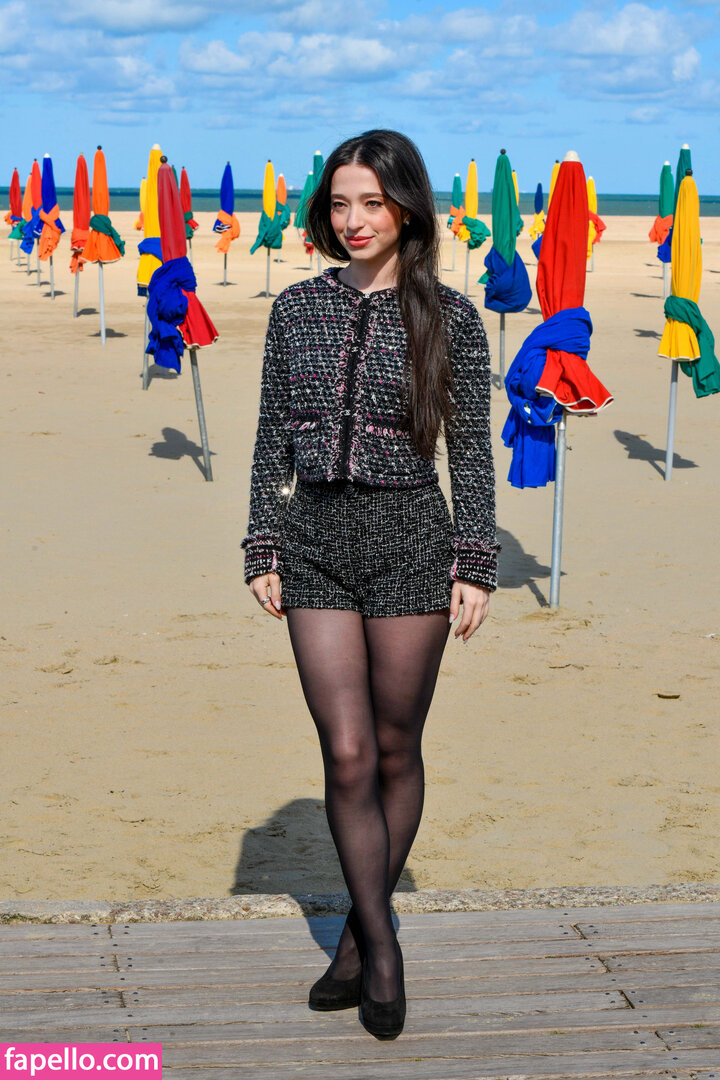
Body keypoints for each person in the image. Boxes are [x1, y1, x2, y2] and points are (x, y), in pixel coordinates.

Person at [241, 129, 498, 1039]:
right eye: (341, 203)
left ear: (407, 209)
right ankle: (383, 948)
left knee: (394, 747)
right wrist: (261, 542)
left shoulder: (450, 317)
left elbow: (472, 451)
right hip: (313, 539)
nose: (354, 220)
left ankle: (354, 936)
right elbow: (271, 433)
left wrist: (476, 563)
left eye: (373, 204)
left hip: (411, 542)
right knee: (345, 752)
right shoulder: (296, 310)